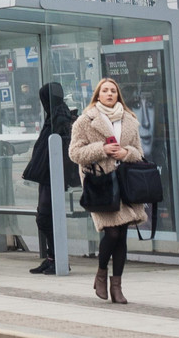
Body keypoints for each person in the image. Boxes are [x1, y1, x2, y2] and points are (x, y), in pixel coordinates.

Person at [69, 78, 147, 304]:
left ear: (118, 95)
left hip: (125, 184)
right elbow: (74, 153)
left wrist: (127, 153)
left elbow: (139, 152)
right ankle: (101, 273)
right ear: (98, 95)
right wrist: (101, 149)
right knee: (112, 232)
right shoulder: (85, 121)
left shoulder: (130, 120)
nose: (110, 94)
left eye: (113, 90)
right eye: (105, 90)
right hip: (100, 183)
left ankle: (117, 286)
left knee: (121, 235)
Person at [22, 82, 79, 275]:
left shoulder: (59, 118)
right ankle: (52, 257)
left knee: (45, 218)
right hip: (48, 174)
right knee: (45, 217)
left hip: (52, 175)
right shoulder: (56, 115)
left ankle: (58, 258)